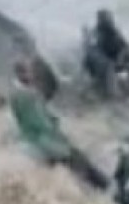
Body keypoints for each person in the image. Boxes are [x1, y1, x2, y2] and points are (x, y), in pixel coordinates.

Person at [7, 59, 109, 191]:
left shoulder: (14, 95)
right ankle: (105, 188)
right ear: (21, 74)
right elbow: (42, 123)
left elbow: (25, 119)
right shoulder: (28, 94)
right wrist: (59, 135)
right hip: (44, 141)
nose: (31, 75)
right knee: (79, 160)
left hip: (30, 140)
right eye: (28, 72)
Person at [83, 8, 129, 99]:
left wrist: (121, 58)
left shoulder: (115, 32)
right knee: (108, 65)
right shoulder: (96, 34)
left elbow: (126, 47)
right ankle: (111, 92)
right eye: (104, 18)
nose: (107, 21)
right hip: (99, 64)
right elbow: (91, 51)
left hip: (114, 58)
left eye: (108, 18)